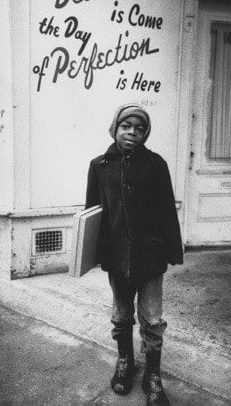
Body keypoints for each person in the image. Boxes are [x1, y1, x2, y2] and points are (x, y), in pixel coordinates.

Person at [85, 103, 183, 406]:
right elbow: (93, 212)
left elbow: (167, 208)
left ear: (146, 133)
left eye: (139, 128)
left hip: (150, 255)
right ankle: (125, 362)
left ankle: (152, 374)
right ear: (115, 127)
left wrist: (172, 250)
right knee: (121, 314)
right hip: (117, 254)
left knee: (152, 318)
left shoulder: (156, 164)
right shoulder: (99, 165)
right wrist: (92, 253)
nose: (132, 132)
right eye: (126, 126)